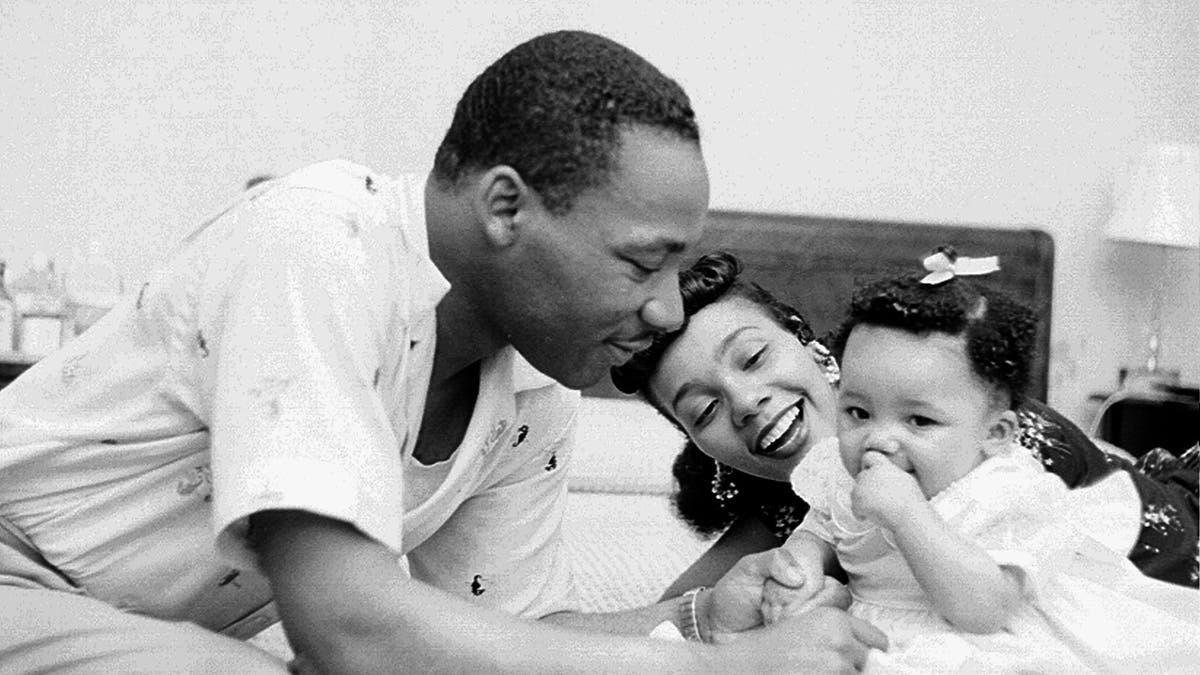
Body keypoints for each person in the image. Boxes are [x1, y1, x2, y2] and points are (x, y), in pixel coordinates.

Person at [0, 31, 882, 673]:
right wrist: (717, 671)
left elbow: (515, 637)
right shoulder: (318, 245)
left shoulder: (535, 389)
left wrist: (701, 617)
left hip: (135, 629)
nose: (664, 307)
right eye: (642, 262)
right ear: (505, 208)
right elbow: (349, 629)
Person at [611, 250, 1199, 622]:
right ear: (695, 442)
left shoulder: (980, 436)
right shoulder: (795, 509)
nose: (745, 403)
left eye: (753, 357)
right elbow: (669, 618)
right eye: (705, 410)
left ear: (810, 344)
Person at [755, 253, 1200, 671]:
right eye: (858, 412)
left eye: (919, 420)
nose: (879, 439)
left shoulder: (1000, 491)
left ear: (995, 434)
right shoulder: (840, 472)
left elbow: (985, 611)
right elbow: (824, 527)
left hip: (974, 644)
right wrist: (803, 561)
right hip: (875, 633)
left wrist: (909, 517)